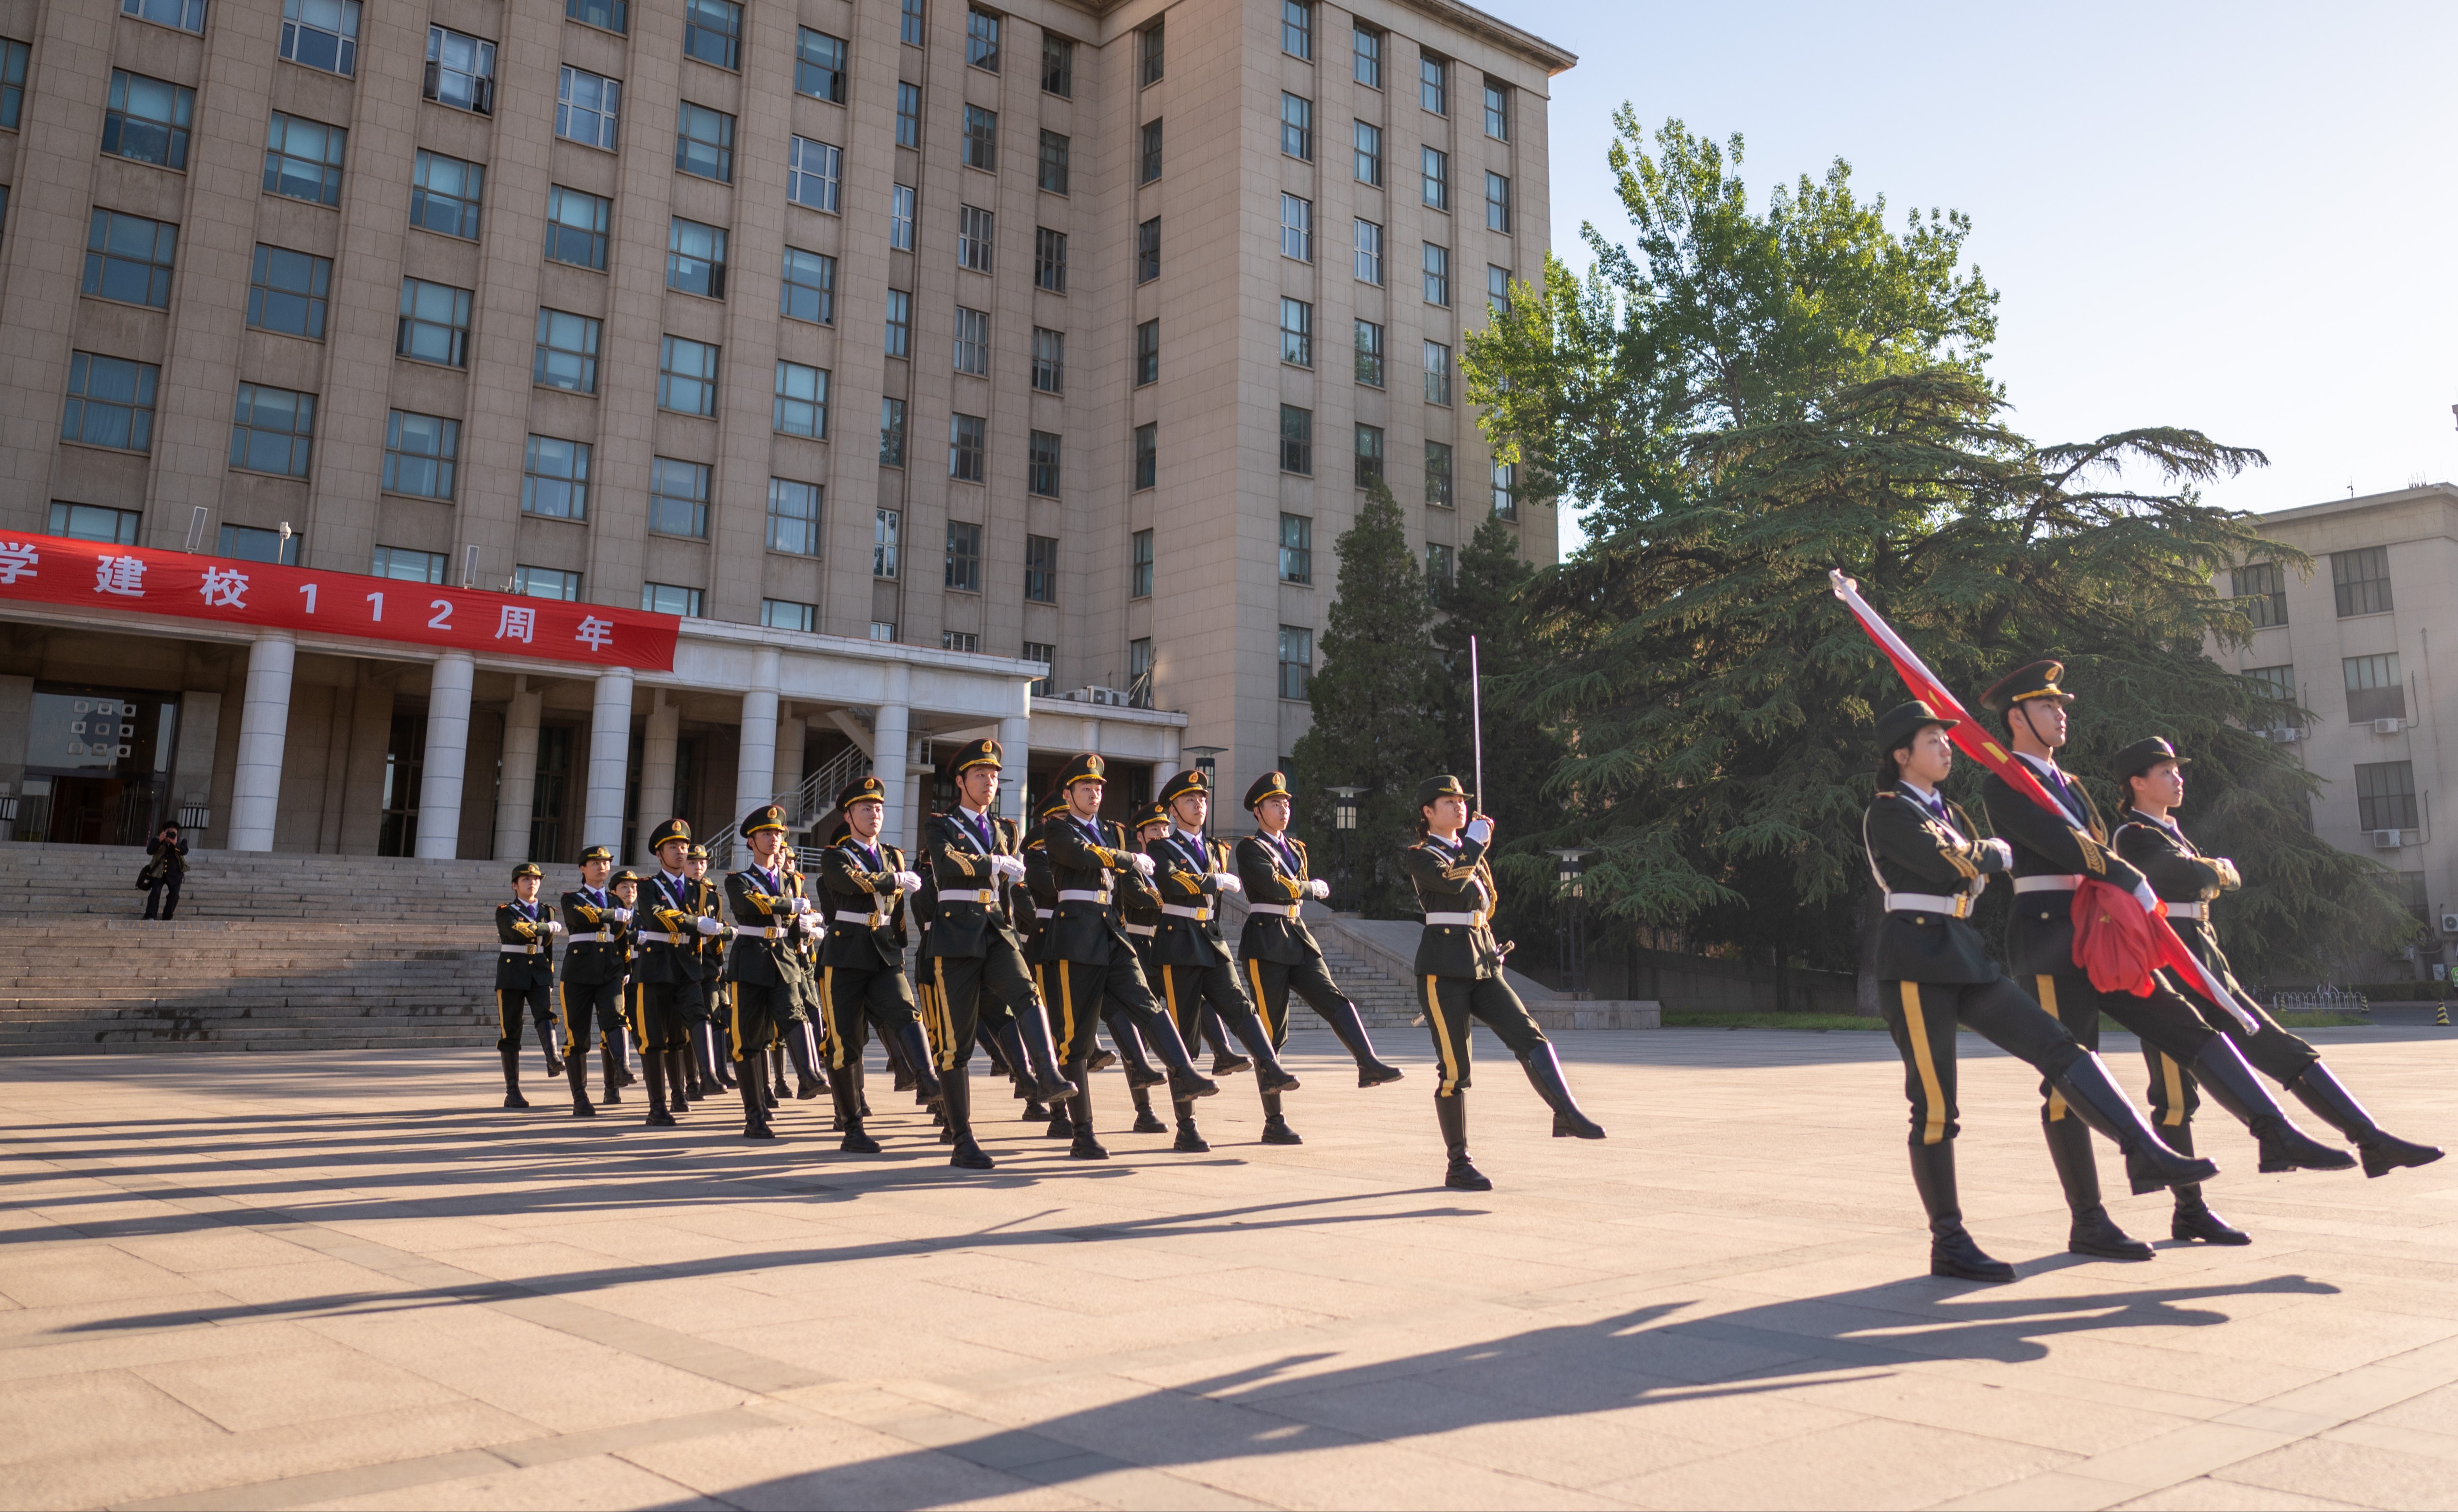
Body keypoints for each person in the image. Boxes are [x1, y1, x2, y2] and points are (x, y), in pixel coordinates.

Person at [1977, 660, 2352, 1261]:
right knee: (2067, 1080)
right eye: (2048, 706)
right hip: (2048, 940)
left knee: (2190, 1028)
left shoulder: (2071, 784)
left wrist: (2121, 880)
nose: (2062, 714)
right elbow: (2064, 846)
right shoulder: (2003, 783)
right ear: (2016, 718)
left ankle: (2274, 1130)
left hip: (2100, 934)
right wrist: (2127, 873)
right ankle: (2089, 1221)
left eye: (2061, 705)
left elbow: (2090, 847)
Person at [1864, 703, 2216, 1280]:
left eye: (1946, 739)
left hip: (1963, 951)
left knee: (2060, 1049)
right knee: (1935, 1106)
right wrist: (1989, 853)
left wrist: (1981, 858)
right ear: (1902, 755)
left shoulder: (1946, 810)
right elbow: (1949, 863)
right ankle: (1949, 1241)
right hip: (1912, 959)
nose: (1947, 748)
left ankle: (2143, 1149)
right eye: (1932, 741)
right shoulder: (1888, 811)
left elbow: (1968, 867)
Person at [2113, 736, 2441, 1241]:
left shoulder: (2171, 832)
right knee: (2186, 1090)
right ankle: (2200, 1204)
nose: (2178, 778)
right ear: (2137, 783)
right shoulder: (2134, 835)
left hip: (2200, 955)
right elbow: (2182, 875)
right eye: (2166, 771)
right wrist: (2218, 869)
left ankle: (2366, 1139)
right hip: (2175, 966)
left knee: (2249, 1059)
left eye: (2178, 770)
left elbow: (2198, 877)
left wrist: (2209, 873)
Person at [1400, 775, 1604, 1191]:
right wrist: (1475, 844)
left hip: (1481, 963)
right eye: (1449, 801)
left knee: (1530, 1036)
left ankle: (1566, 1111)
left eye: (1461, 800)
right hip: (1443, 970)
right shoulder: (1421, 856)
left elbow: (1483, 903)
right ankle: (1459, 1164)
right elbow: (1453, 882)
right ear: (1428, 812)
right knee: (1455, 1070)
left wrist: (1486, 939)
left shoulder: (1467, 851)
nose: (1460, 805)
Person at [1036, 753, 1222, 1159]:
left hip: (1112, 931)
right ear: (1068, 794)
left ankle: (1185, 1071)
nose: (1094, 793)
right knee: (1076, 1038)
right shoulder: (1058, 828)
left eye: (1098, 787)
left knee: (1148, 1005)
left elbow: (1126, 884)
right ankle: (1082, 1132)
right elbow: (1083, 856)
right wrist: (1128, 858)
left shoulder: (1110, 830)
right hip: (1075, 936)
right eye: (1086, 787)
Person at [922, 738, 1076, 1169]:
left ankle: (1047, 1073)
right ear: (961, 781)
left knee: (1027, 993)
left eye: (993, 776)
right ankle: (962, 1138)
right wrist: (992, 863)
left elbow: (1007, 885)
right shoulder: (941, 824)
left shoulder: (1005, 829)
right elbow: (947, 863)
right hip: (955, 935)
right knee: (956, 1045)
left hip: (995, 928)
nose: (989, 782)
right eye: (980, 775)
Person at [1236, 769, 1404, 1145]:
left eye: (1286, 803)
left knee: (1335, 999)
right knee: (1271, 1033)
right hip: (1265, 940)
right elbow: (1273, 887)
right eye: (1275, 804)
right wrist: (1309, 887)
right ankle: (1274, 1121)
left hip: (1297, 935)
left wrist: (1302, 889)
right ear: (1258, 812)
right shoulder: (1250, 849)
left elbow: (1290, 890)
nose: (1284, 809)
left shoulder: (1296, 849)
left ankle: (1368, 1063)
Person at [1146, 769, 1301, 1153]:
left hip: (1211, 940)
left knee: (1241, 1007)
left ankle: (1270, 1068)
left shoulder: (1216, 849)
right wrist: (1210, 882)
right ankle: (1187, 1126)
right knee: (1184, 1037)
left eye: (1202, 798)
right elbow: (1170, 882)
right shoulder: (1162, 848)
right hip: (1178, 941)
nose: (1198, 804)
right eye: (1189, 799)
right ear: (1173, 809)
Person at [818, 774, 945, 1152]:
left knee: (907, 1011)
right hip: (844, 956)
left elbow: (898, 909)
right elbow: (852, 882)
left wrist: (899, 942)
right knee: (845, 1043)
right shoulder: (836, 855)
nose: (874, 814)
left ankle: (927, 1078)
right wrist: (893, 879)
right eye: (865, 808)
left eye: (878, 808)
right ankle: (852, 1126)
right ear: (848, 816)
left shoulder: (892, 855)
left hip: (883, 951)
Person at [722, 803, 831, 1139]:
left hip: (785, 958)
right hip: (751, 960)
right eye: (767, 833)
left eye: (778, 834)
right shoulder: (739, 880)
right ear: (751, 842)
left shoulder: (792, 881)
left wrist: (808, 930)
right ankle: (754, 1115)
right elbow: (748, 904)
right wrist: (788, 905)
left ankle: (809, 1075)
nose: (774, 839)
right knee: (749, 1040)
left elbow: (795, 924)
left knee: (795, 1015)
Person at [633, 819, 730, 1127]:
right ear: (659, 853)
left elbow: (711, 921)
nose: (680, 852)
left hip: (689, 966)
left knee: (698, 1018)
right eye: (673, 847)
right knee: (655, 1039)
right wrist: (695, 923)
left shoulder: (699, 890)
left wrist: (721, 931)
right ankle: (658, 1105)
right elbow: (656, 916)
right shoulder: (648, 887)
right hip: (656, 966)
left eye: (684, 846)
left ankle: (707, 1075)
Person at [1117, 801, 1178, 1134]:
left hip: (1168, 949)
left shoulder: (1172, 865)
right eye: (1154, 829)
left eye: (1165, 828)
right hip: (1140, 950)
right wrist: (1177, 898)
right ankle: (1144, 1110)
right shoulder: (1131, 868)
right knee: (1138, 1034)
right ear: (1141, 836)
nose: (1162, 834)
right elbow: (1141, 898)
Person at [555, 845, 629, 1116]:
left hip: (610, 968)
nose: (602, 867)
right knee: (577, 1036)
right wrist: (611, 915)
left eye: (605, 863)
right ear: (583, 869)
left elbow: (621, 936)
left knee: (616, 1018)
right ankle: (580, 1097)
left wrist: (626, 966)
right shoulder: (572, 898)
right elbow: (579, 916)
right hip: (579, 971)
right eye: (595, 863)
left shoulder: (616, 900)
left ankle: (622, 1067)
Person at [494, 862, 567, 1110]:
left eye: (536, 879)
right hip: (512, 973)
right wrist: (545, 927)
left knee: (545, 1014)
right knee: (511, 1030)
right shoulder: (506, 911)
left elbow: (548, 947)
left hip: (539, 971)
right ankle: (513, 1091)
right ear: (515, 885)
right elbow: (515, 931)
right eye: (526, 879)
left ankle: (552, 1058)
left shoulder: (547, 910)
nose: (532, 883)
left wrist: (550, 978)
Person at [683, 844, 736, 1095]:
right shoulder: (678, 891)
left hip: (708, 963)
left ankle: (715, 1073)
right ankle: (691, 1080)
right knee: (688, 1023)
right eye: (693, 862)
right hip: (684, 959)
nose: (698, 867)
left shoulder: (713, 895)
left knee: (714, 1016)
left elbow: (718, 926)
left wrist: (724, 932)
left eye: (702, 863)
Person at [141, 822, 188, 920]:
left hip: (175, 874)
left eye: (173, 833)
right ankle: (150, 915)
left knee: (174, 895)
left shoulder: (181, 841)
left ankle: (168, 916)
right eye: (168, 832)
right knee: (155, 892)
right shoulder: (157, 840)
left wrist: (175, 843)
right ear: (164, 832)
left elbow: (185, 851)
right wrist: (160, 840)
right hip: (159, 872)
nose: (171, 835)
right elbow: (150, 851)